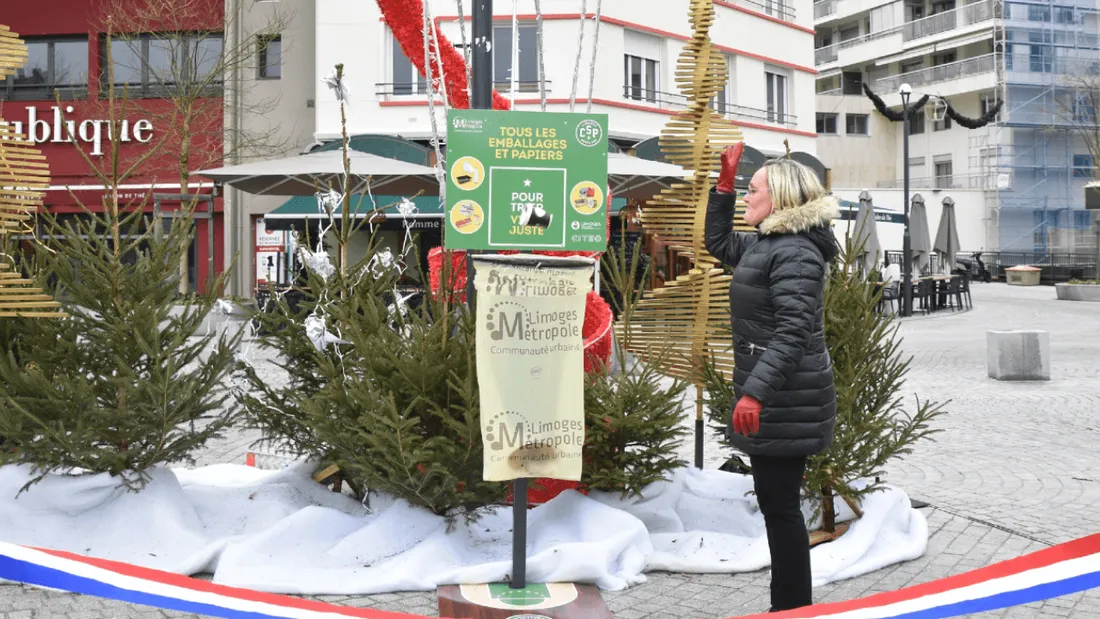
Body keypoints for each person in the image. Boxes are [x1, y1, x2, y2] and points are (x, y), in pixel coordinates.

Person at [704, 143, 840, 612]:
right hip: (780, 397)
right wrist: (721, 187)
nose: (746, 197)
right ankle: (788, 606)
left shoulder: (796, 254)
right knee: (776, 507)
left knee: (780, 510)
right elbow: (718, 244)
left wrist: (755, 394)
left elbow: (794, 332)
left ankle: (791, 608)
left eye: (751, 190)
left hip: (787, 400)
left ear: (779, 199)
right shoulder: (767, 244)